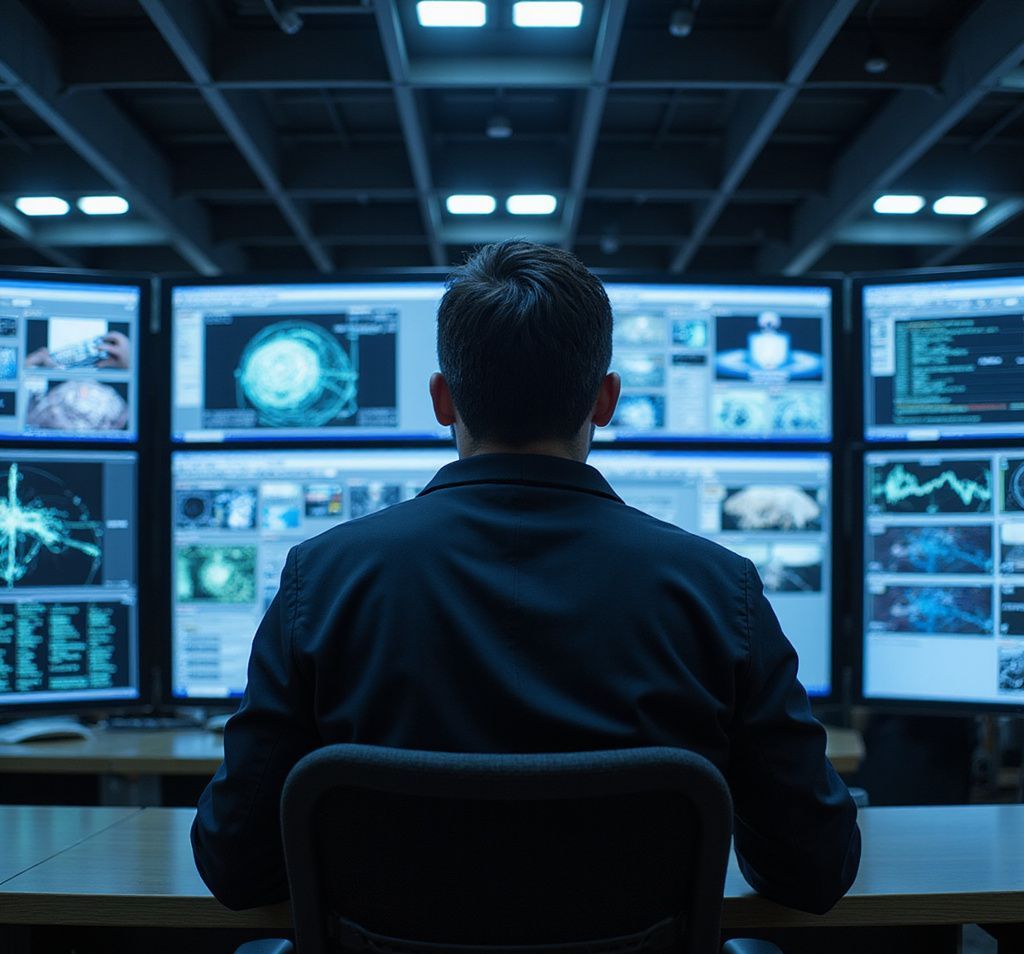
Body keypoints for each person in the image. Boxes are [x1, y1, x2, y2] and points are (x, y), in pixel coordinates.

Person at [192, 241, 860, 917]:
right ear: (605, 399)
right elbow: (815, 867)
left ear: (442, 399)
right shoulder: (720, 591)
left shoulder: (324, 580)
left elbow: (235, 864)